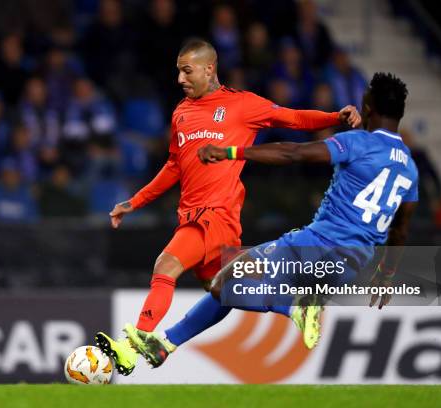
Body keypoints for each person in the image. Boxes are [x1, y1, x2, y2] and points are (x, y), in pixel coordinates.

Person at [95, 38, 360, 375]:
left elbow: (292, 118)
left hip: (215, 215)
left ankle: (134, 344)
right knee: (226, 292)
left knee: (166, 266)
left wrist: (335, 116)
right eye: (178, 72)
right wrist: (136, 201)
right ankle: (292, 308)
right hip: (194, 214)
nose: (180, 79)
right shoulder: (181, 113)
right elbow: (174, 166)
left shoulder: (242, 106)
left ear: (209, 69)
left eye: (187, 71)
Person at [124, 72, 418, 369]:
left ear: (368, 108)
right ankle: (167, 343)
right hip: (353, 265)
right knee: (234, 285)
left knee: (223, 281)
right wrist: (386, 274)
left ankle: (295, 306)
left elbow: (294, 153)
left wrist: (231, 152)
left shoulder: (358, 143)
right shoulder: (410, 167)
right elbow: (400, 229)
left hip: (317, 245)